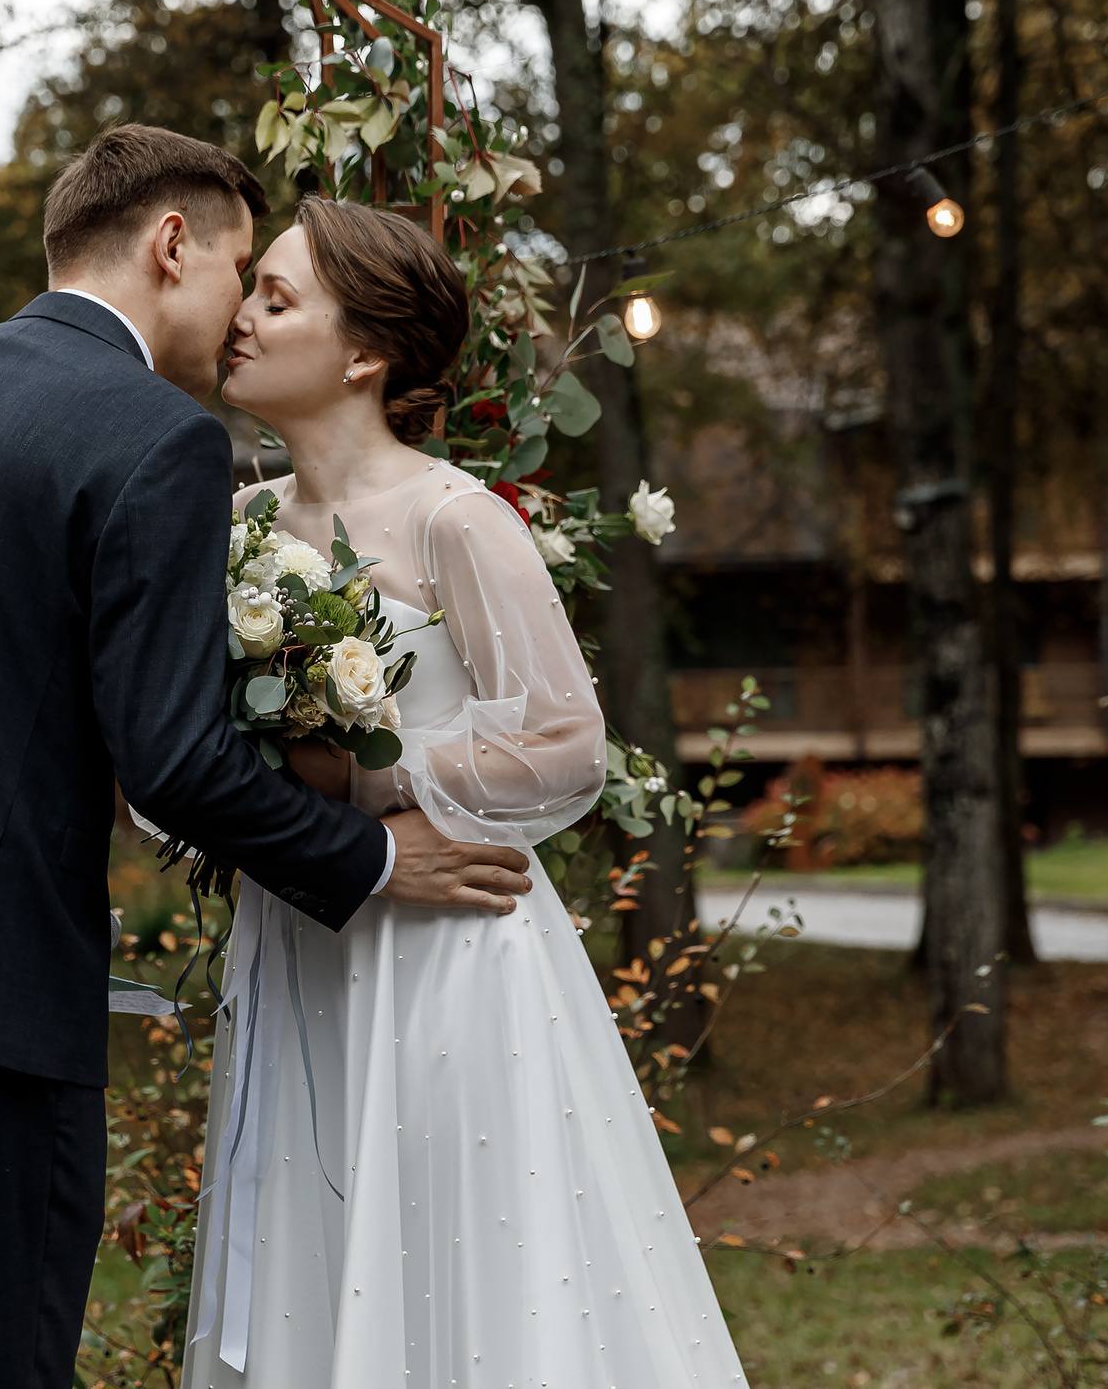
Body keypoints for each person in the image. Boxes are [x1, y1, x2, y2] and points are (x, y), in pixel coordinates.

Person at [0, 126, 536, 1389]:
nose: (238, 322)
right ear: (171, 246)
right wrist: (372, 856)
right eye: (238, 279)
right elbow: (173, 761)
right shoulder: (153, 438)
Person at [180, 196, 750, 1387]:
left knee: (463, 1274)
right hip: (297, 939)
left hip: (448, 950)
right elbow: (174, 753)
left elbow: (562, 744)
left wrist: (361, 768)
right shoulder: (230, 529)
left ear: (363, 354)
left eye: (275, 299)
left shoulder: (455, 520)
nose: (240, 318)